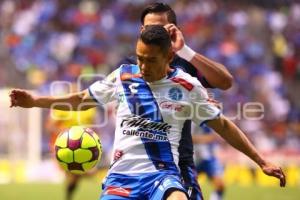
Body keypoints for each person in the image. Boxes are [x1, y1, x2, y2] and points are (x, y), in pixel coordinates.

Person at [10, 25, 285, 200]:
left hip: (163, 177)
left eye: (150, 60)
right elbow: (81, 99)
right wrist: (35, 101)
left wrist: (261, 161)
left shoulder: (187, 86)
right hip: (121, 178)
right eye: (139, 57)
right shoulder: (123, 76)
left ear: (168, 57)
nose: (142, 65)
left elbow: (223, 126)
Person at [118, 2, 233, 199]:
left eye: (160, 28)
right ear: (141, 30)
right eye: (148, 28)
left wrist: (185, 51)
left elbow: (225, 81)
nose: (154, 32)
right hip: (138, 167)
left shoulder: (185, 63)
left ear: (174, 31)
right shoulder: (131, 66)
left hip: (179, 163)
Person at [192, 124, 225, 200]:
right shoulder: (185, 119)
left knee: (220, 184)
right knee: (187, 186)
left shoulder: (207, 118)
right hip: (192, 159)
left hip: (209, 158)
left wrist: (195, 139)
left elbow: (214, 136)